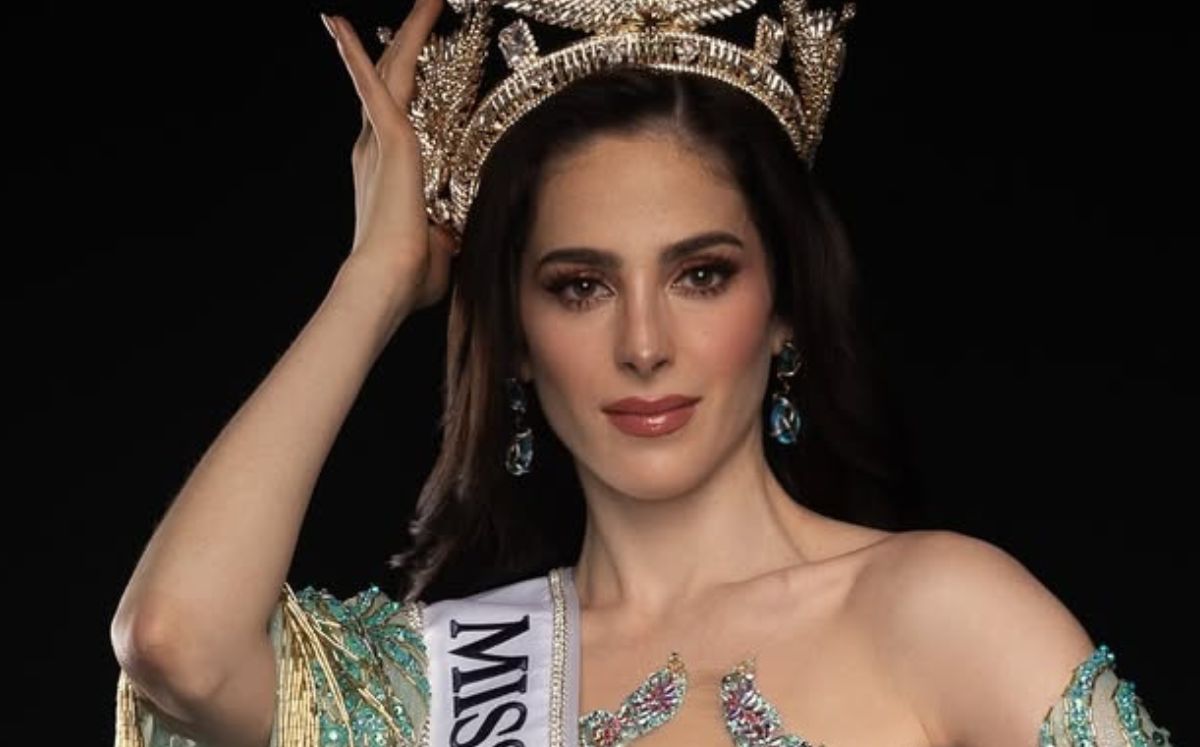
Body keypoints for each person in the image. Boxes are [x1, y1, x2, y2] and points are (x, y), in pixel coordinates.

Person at [110, 1, 1173, 746]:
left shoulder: (938, 613)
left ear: (784, 307)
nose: (646, 344)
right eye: (580, 286)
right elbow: (175, 643)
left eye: (702, 275)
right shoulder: (453, 681)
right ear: (514, 335)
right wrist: (376, 280)